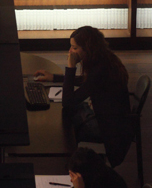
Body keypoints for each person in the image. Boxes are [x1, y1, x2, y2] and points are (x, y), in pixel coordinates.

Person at [34, 26, 133, 167]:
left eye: (74, 48)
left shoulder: (101, 70)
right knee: (66, 116)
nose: (70, 52)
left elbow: (68, 101)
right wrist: (54, 77)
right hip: (112, 119)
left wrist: (70, 67)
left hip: (108, 127)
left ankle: (67, 163)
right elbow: (86, 81)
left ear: (87, 48)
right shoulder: (105, 59)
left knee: (66, 124)